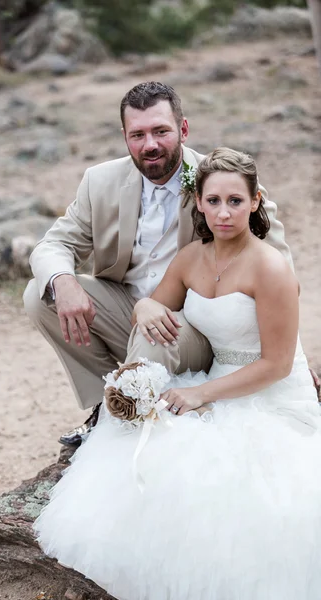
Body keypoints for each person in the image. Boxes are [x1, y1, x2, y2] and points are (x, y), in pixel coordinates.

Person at [33, 148, 321, 600]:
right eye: (213, 201)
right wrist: (146, 304)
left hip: (270, 392)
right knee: (155, 453)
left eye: (235, 201)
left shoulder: (270, 267)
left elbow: (277, 364)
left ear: (256, 201)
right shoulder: (192, 257)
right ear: (199, 205)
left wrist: (201, 394)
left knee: (218, 477)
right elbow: (157, 306)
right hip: (216, 373)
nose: (223, 213)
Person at [23, 82, 291, 446]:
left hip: (194, 327)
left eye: (161, 131)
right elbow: (54, 244)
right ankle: (109, 403)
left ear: (182, 129)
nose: (150, 144)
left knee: (156, 335)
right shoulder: (99, 181)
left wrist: (289, 356)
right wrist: (64, 280)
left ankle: (124, 422)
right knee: (42, 295)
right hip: (128, 309)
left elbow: (281, 275)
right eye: (138, 134)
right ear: (125, 137)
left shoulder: (219, 183)